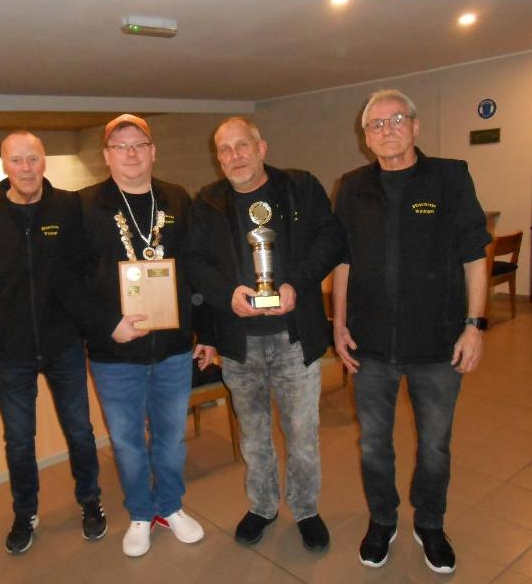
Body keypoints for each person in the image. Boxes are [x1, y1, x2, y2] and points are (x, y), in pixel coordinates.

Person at [332, 89, 491, 574]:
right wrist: (338, 323)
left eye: (397, 119)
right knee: (373, 443)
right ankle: (383, 520)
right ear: (365, 137)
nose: (388, 130)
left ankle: (430, 524)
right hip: (371, 344)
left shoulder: (450, 178)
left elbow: (474, 255)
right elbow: (343, 260)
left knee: (435, 445)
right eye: (376, 124)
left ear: (416, 127)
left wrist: (475, 325)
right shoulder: (353, 186)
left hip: (438, 342)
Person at [185, 116, 341, 552]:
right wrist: (225, 295)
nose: (234, 156)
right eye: (225, 150)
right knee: (253, 435)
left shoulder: (299, 187)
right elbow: (195, 262)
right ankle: (263, 505)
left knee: (303, 435)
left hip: (294, 336)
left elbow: (330, 239)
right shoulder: (207, 203)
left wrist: (297, 284)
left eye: (242, 145)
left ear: (261, 148)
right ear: (218, 158)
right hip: (240, 342)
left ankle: (306, 509)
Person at [76, 114, 216, 558]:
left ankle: (170, 507)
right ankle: (141, 513)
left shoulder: (177, 199)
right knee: (127, 442)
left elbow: (195, 267)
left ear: (153, 151)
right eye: (120, 146)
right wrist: (107, 324)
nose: (131, 153)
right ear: (107, 156)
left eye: (138, 144)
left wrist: (206, 330)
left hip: (173, 348)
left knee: (171, 438)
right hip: (115, 352)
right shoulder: (85, 206)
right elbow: (72, 282)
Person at [0, 132, 106, 555]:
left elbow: (85, 269)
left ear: (44, 162)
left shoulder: (68, 208)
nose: (26, 168)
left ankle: (91, 501)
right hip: (11, 350)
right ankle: (25, 513)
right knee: (19, 439)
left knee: (80, 430)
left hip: (63, 342)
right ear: (4, 165)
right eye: (17, 160)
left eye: (33, 159)